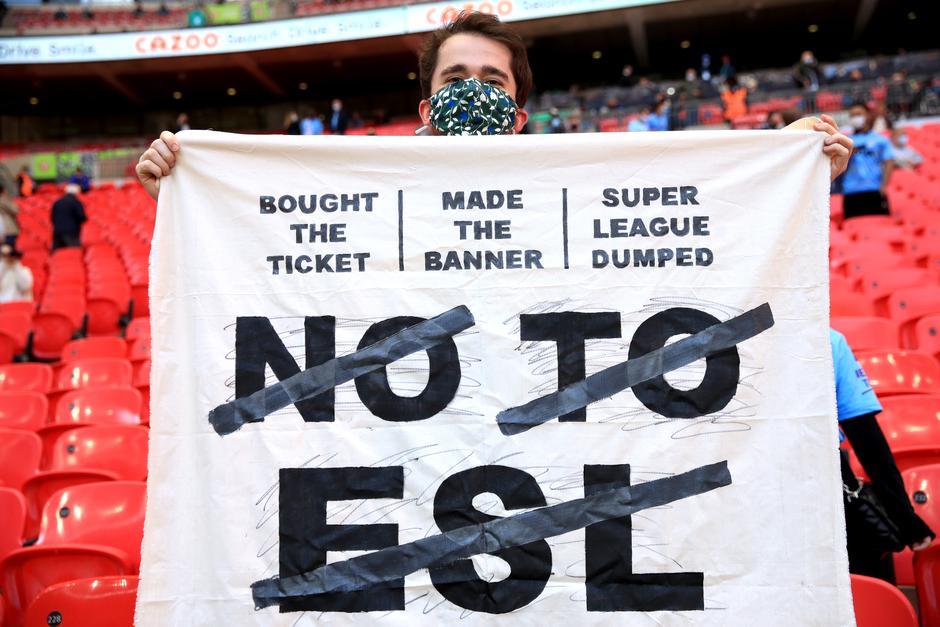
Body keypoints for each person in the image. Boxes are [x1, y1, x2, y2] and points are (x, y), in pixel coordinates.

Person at [136, 12, 852, 201]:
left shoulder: (578, 175)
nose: (472, 90)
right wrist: (184, 177)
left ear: (518, 113)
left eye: (492, 79)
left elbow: (698, 199)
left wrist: (779, 158)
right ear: (426, 106)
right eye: (455, 79)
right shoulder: (361, 180)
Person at [831, 329, 933, 582]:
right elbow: (867, 439)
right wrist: (904, 517)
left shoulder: (719, 337)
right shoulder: (826, 339)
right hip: (824, 491)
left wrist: (905, 518)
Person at [840, 102, 894, 219]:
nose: (855, 118)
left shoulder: (880, 140)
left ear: (868, 115)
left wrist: (884, 186)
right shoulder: (845, 141)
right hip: (851, 192)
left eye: (858, 114)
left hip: (874, 190)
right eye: (852, 116)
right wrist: (847, 154)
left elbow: (889, 161)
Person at [51, 184, 86, 250]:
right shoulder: (76, 202)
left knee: (57, 254)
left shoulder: (57, 202)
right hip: (71, 232)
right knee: (74, 253)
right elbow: (82, 217)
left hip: (57, 232)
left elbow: (52, 218)